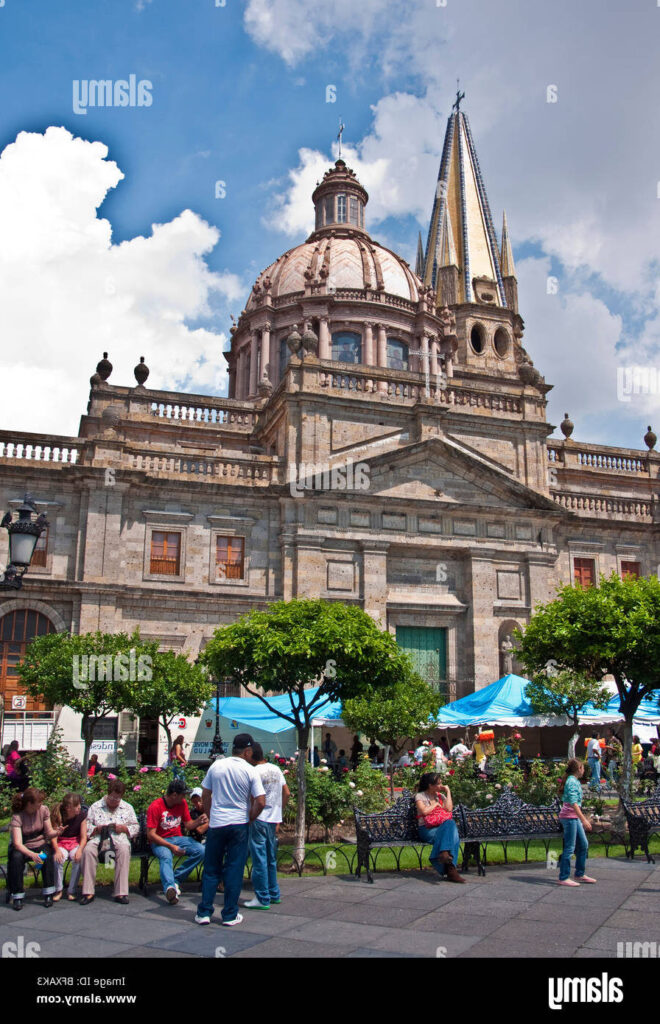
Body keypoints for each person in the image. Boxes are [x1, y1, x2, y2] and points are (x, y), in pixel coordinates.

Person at [195, 733, 265, 927]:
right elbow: (260, 801)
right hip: (238, 825)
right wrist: (250, 817)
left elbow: (205, 793)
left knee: (211, 869)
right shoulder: (250, 771)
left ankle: (204, 912)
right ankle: (229, 914)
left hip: (217, 824)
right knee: (234, 869)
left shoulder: (217, 765)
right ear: (248, 751)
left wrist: (211, 813)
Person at [243, 743, 290, 909]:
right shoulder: (276, 769)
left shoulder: (254, 771)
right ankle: (273, 893)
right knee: (271, 858)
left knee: (259, 859)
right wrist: (279, 812)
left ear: (250, 755)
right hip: (273, 818)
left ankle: (262, 897)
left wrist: (250, 816)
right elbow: (287, 792)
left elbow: (252, 797)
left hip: (259, 818)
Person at [147, 779, 206, 904]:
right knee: (166, 855)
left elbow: (188, 825)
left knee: (201, 850)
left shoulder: (182, 803)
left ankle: (176, 879)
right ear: (174, 795)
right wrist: (171, 846)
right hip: (160, 840)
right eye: (183, 794)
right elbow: (151, 834)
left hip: (178, 838)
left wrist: (198, 821)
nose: (185, 797)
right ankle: (170, 888)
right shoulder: (156, 806)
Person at [80, 779, 139, 905]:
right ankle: (88, 891)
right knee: (88, 850)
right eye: (112, 798)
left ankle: (121, 892)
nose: (114, 801)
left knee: (123, 849)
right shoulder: (96, 806)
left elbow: (135, 827)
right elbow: (87, 825)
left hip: (119, 838)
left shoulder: (128, 808)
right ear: (107, 794)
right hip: (100, 838)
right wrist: (96, 829)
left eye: (117, 799)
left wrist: (124, 828)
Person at [8, 788, 58, 910]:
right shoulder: (18, 816)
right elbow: (18, 844)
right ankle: (17, 895)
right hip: (23, 846)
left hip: (39, 842)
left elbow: (49, 832)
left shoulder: (43, 810)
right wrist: (32, 855)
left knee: (46, 854)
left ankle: (48, 892)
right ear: (30, 803)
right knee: (16, 858)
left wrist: (57, 832)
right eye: (38, 802)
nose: (40, 804)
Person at [415, 773, 465, 884]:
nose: (441, 785)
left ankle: (444, 853)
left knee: (450, 823)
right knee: (453, 836)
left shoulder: (439, 795)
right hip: (426, 829)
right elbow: (423, 811)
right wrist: (435, 805)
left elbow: (449, 809)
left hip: (442, 828)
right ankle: (451, 870)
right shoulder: (420, 796)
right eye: (438, 784)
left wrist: (448, 792)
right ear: (430, 785)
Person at [557, 758, 596, 886]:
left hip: (573, 817)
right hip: (569, 818)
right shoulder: (572, 782)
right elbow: (574, 803)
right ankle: (563, 877)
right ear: (579, 769)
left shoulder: (574, 781)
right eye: (583, 767)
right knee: (570, 847)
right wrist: (584, 819)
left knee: (583, 844)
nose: (584, 770)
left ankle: (579, 873)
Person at [52, 792, 87, 902]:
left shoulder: (81, 816)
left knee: (77, 859)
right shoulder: (58, 816)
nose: (79, 808)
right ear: (68, 808)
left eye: (79, 805)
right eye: (76, 806)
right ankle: (58, 889)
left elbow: (83, 836)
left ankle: (72, 890)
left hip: (75, 842)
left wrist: (80, 850)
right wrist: (57, 850)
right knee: (58, 859)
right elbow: (53, 837)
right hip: (61, 842)